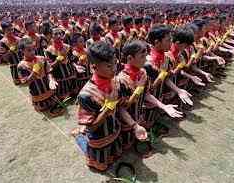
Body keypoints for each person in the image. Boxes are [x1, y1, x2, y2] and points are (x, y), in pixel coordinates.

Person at [118, 40, 183, 152]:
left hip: (138, 114)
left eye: (146, 55)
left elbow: (147, 94)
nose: (146, 58)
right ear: (129, 59)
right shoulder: (121, 80)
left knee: (138, 137)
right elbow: (121, 109)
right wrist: (134, 125)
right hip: (126, 120)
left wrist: (163, 106)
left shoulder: (142, 72)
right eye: (142, 56)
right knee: (126, 143)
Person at [75, 42, 123, 171]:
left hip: (114, 131)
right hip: (99, 137)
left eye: (115, 63)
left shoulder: (114, 81)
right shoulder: (86, 95)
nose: (114, 69)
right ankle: (80, 138)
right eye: (109, 66)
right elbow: (91, 127)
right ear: (94, 67)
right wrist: (108, 108)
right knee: (101, 166)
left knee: (116, 155)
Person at [17, 37, 64, 116]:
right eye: (29, 50)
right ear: (22, 51)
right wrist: (34, 72)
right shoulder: (21, 66)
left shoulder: (41, 58)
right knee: (44, 109)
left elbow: (49, 71)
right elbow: (25, 83)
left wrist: (51, 80)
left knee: (58, 106)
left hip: (50, 92)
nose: (32, 52)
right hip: (38, 96)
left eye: (33, 49)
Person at [45, 28, 77, 100]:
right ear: (52, 36)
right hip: (60, 77)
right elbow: (49, 67)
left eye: (60, 33)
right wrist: (57, 60)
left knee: (75, 94)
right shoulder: (49, 50)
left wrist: (76, 65)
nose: (59, 36)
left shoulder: (67, 46)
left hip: (71, 75)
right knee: (63, 98)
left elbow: (72, 60)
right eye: (56, 34)